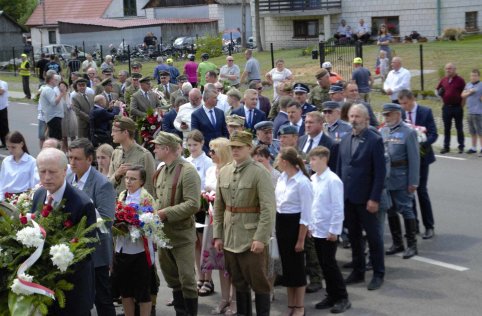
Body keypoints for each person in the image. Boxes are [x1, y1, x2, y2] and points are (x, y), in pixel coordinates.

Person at [213, 131, 275, 316]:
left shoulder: (260, 172)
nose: (235, 150)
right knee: (238, 281)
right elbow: (219, 207)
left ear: (250, 148)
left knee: (259, 283)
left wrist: (260, 238)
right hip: (230, 237)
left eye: (239, 147)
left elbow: (268, 209)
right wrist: (218, 235)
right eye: (233, 147)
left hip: (251, 238)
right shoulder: (224, 171)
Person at [31, 148, 96, 315]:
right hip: (42, 290)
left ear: (65, 171)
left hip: (72, 292)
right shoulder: (39, 195)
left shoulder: (82, 204)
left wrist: (54, 261)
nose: (46, 177)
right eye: (42, 171)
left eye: (52, 172)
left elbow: (86, 251)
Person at [336, 104, 386, 291]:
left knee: (373, 237)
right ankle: (358, 270)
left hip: (367, 199)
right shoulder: (345, 139)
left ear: (366, 119)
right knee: (355, 237)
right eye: (351, 116)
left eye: (357, 116)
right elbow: (341, 170)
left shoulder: (374, 140)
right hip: (348, 198)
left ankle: (378, 273)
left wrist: (374, 198)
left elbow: (380, 173)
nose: (354, 120)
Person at [152, 132, 201, 316]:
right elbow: (158, 198)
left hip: (181, 235)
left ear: (166, 149)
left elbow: (193, 204)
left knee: (187, 279)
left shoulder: (187, 171)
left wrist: (165, 213)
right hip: (164, 235)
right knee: (172, 278)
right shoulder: (162, 169)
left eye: (157, 146)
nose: (154, 149)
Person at [67, 138, 116, 316]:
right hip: (73, 250)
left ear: (89, 159)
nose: (72, 163)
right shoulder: (67, 178)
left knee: (101, 298)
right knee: (79, 300)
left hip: (96, 251)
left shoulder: (102, 184)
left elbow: (107, 220)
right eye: (70, 157)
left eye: (77, 159)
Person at [308, 146, 351, 313]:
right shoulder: (313, 179)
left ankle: (342, 297)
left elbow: (337, 207)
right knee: (323, 265)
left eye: (314, 159)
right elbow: (313, 205)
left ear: (324, 160)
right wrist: (310, 226)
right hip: (317, 229)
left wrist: (334, 230)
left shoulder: (333, 180)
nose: (310, 162)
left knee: (330, 264)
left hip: (328, 231)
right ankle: (331, 294)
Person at [113, 165, 156, 316]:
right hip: (122, 249)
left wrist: (135, 225)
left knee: (143, 292)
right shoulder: (122, 195)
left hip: (139, 251)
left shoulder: (146, 198)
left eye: (133, 179)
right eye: (127, 178)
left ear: (142, 181)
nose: (128, 181)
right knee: (125, 291)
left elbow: (152, 225)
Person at [274, 147, 312, 316]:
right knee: (288, 268)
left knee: (297, 268)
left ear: (285, 162)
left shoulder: (302, 182)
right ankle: (291, 304)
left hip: (295, 225)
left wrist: (301, 239)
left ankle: (300, 306)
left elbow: (306, 214)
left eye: (278, 160)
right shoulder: (282, 178)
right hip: (281, 223)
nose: (277, 163)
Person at [379, 103, 420, 260]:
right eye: (385, 115)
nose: (386, 118)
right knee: (390, 209)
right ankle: (397, 243)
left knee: (406, 209)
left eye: (389, 114)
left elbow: (414, 159)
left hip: (402, 177)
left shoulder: (408, 132)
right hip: (387, 177)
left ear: (397, 114)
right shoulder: (384, 130)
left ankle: (412, 244)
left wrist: (413, 182)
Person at [398, 89, 438, 240]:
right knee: (409, 192)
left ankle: (429, 226)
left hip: (422, 157)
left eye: (405, 103)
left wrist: (422, 143)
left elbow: (434, 134)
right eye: (401, 104)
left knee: (421, 190)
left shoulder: (425, 111)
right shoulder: (401, 113)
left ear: (412, 99)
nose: (403, 106)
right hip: (406, 159)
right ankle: (413, 224)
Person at [203, 138, 237, 315]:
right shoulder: (210, 170)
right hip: (213, 219)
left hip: (229, 220)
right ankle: (224, 298)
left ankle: (235, 301)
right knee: (220, 262)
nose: (210, 154)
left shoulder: (232, 169)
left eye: (213, 151)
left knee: (232, 263)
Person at [184, 130, 215, 297]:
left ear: (202, 143)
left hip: (204, 206)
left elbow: (208, 184)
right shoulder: (186, 161)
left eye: (195, 145)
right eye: (189, 145)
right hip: (192, 207)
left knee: (206, 244)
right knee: (195, 243)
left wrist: (204, 197)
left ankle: (209, 279)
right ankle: (200, 277)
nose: (192, 148)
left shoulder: (208, 162)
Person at [108, 116, 156, 195]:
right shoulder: (116, 153)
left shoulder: (144, 155)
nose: (112, 134)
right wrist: (117, 174)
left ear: (125, 132)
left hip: (135, 204)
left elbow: (149, 187)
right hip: (116, 202)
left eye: (115, 131)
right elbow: (108, 184)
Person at [436, 63, 467, 154]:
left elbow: (464, 94)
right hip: (446, 107)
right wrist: (441, 96)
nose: (448, 70)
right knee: (446, 128)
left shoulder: (460, 80)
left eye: (450, 68)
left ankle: (461, 146)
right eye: (446, 68)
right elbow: (438, 90)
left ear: (454, 69)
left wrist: (462, 105)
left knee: (459, 127)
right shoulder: (444, 80)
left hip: (457, 107)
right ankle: (446, 147)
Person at [0, 131, 39, 200]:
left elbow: (34, 184)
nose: (10, 150)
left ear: (21, 144)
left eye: (13, 147)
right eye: (8, 147)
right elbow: (2, 182)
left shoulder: (32, 162)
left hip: (22, 199)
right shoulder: (6, 161)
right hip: (5, 198)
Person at [191, 88, 229, 153]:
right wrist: (207, 151)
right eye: (214, 98)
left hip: (221, 151)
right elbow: (195, 136)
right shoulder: (196, 115)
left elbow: (225, 132)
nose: (217, 99)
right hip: (206, 151)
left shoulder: (220, 113)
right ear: (207, 99)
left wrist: (224, 147)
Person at [462, 69, 482, 155]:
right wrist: (470, 92)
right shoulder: (468, 85)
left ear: (478, 76)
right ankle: (473, 148)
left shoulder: (481, 85)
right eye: (472, 75)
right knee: (472, 131)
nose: (473, 77)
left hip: (479, 112)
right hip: (470, 111)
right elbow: (462, 95)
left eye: (475, 75)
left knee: (480, 132)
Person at [40, 73, 65, 140]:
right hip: (53, 117)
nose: (57, 81)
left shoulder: (50, 89)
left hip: (54, 116)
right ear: (51, 80)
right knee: (55, 139)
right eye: (55, 79)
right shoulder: (48, 89)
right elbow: (54, 102)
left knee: (54, 137)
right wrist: (62, 93)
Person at [58, 81, 77, 151]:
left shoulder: (70, 95)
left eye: (63, 86)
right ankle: (65, 151)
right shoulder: (58, 95)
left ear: (66, 87)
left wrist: (73, 106)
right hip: (62, 117)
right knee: (64, 136)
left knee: (73, 134)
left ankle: (74, 149)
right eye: (60, 86)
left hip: (71, 115)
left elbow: (74, 106)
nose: (62, 88)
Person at [0, 79, 9, 148]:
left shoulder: (3, 83)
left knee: (4, 126)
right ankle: (3, 143)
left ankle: (8, 143)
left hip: (2, 108)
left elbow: (1, 92)